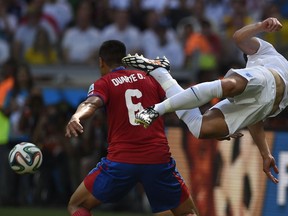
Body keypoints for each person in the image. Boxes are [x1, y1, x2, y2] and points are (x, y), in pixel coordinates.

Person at [122, 17, 287, 184]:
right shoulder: (267, 54)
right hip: (266, 78)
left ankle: (159, 72)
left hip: (258, 106)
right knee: (229, 85)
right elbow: (239, 37)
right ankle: (156, 109)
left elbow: (256, 119)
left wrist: (265, 154)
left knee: (200, 128)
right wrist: (261, 26)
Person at [65, 40, 199, 216]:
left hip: (121, 162)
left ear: (101, 62)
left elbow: (92, 103)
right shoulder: (151, 78)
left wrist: (77, 116)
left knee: (77, 205)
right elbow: (182, 99)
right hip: (157, 160)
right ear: (124, 59)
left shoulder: (103, 83)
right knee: (187, 213)